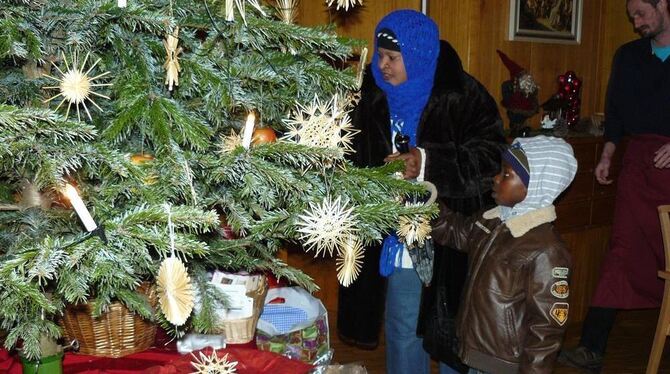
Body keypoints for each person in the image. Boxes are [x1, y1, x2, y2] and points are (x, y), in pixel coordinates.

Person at [336, 9, 506, 374]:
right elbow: (347, 151)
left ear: (417, 55)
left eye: (392, 58)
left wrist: (426, 163)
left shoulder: (461, 95)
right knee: (402, 329)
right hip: (397, 236)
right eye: (379, 55)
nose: (382, 65)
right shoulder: (368, 96)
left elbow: (491, 159)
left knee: (453, 336)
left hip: (452, 238)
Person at [558, 0, 670, 371]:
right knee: (622, 249)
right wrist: (607, 154)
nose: (636, 23)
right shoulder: (628, 56)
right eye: (631, 17)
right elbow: (616, 114)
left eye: (641, 14)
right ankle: (592, 346)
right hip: (637, 166)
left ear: (664, 4)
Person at [432, 135, 578, 374]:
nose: (496, 178)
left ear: (537, 185)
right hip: (477, 353)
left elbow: (547, 328)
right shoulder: (494, 221)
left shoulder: (548, 251)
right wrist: (424, 202)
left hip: (504, 365)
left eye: (506, 174)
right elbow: (456, 230)